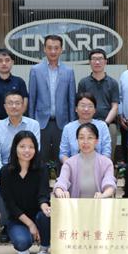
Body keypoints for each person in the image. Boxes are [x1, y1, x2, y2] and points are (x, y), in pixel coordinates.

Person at [0, 90, 41, 243]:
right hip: (4, 171)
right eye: (10, 103)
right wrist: (2, 173)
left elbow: (36, 150)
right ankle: (8, 224)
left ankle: (30, 220)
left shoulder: (33, 125)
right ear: (5, 106)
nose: (14, 106)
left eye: (17, 103)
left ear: (23, 106)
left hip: (28, 169)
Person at [0, 131, 52, 254]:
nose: (27, 150)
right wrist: (30, 224)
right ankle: (25, 241)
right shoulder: (5, 172)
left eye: (31, 147)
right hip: (17, 218)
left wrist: (44, 205)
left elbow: (43, 194)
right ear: (15, 148)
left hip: (38, 215)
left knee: (46, 215)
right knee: (22, 243)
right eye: (22, 146)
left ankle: (43, 251)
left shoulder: (41, 168)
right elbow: (10, 204)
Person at [28, 35, 76, 170]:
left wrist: (72, 124)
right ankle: (42, 184)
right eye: (49, 48)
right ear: (44, 49)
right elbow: (32, 99)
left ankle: (62, 183)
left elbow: (71, 100)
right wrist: (32, 123)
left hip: (62, 124)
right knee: (40, 159)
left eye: (56, 48)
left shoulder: (69, 72)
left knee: (62, 160)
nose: (53, 51)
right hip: (41, 123)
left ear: (61, 50)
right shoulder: (35, 70)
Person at [53, 123, 116, 199]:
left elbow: (109, 184)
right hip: (75, 205)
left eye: (90, 138)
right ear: (77, 140)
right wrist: (60, 191)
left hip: (99, 204)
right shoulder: (69, 163)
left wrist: (103, 195)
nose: (85, 142)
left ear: (96, 141)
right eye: (81, 138)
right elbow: (62, 181)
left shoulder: (106, 163)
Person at [77, 48, 120, 158]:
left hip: (108, 124)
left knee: (107, 157)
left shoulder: (113, 83)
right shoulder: (83, 83)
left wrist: (105, 123)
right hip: (87, 124)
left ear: (105, 62)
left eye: (100, 59)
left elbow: (115, 107)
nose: (97, 62)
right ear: (90, 62)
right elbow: (80, 105)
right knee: (85, 155)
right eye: (94, 59)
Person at [59, 92, 111, 163]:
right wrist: (71, 166)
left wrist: (99, 166)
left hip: (98, 166)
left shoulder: (102, 126)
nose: (86, 109)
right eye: (82, 106)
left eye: (90, 106)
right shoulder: (68, 128)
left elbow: (106, 152)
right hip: (74, 167)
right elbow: (63, 154)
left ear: (95, 110)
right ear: (76, 109)